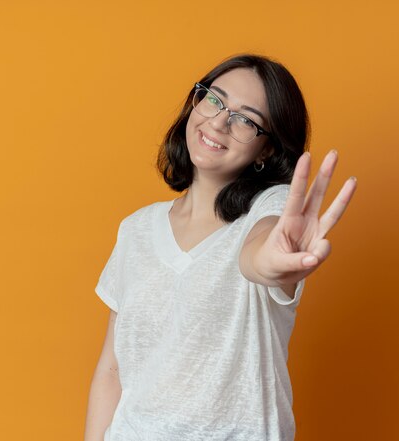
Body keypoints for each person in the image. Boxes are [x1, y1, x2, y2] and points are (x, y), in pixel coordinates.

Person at [84, 54, 357, 441]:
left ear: (266, 150)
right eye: (214, 99)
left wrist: (274, 259)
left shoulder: (271, 209)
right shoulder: (136, 230)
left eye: (246, 119)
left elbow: (258, 256)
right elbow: (113, 368)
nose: (217, 122)